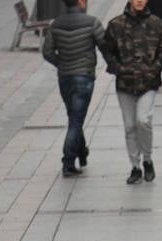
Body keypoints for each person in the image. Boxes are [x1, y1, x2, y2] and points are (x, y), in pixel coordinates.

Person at [101, 0, 162, 185]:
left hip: (148, 82)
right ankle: (135, 166)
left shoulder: (156, 23)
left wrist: (154, 68)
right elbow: (107, 49)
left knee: (143, 120)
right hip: (125, 82)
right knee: (130, 125)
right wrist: (117, 67)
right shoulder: (116, 24)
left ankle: (147, 159)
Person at [42, 0, 105, 178]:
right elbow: (105, 45)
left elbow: (47, 52)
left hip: (65, 78)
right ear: (80, 2)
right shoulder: (92, 22)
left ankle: (82, 152)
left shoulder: (56, 24)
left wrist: (61, 64)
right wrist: (114, 65)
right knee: (76, 121)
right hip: (84, 77)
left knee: (74, 117)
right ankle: (68, 161)